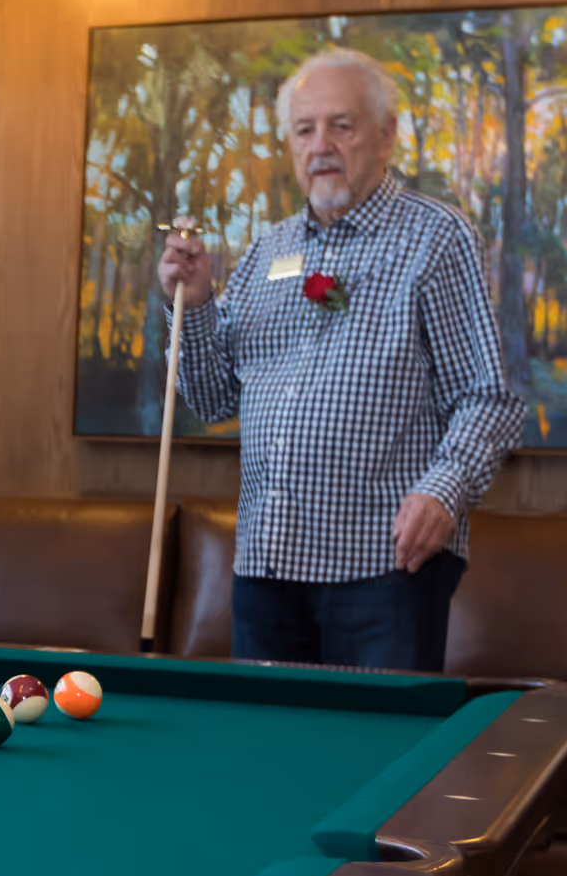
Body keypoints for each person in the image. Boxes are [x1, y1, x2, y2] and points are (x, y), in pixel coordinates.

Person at [157, 47, 523, 672]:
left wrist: (444, 491)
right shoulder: (268, 251)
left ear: (386, 135)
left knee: (375, 736)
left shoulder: (435, 237)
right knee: (270, 735)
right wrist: (192, 306)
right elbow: (213, 398)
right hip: (268, 566)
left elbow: (487, 398)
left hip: (384, 567)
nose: (320, 145)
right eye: (305, 130)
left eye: (341, 126)